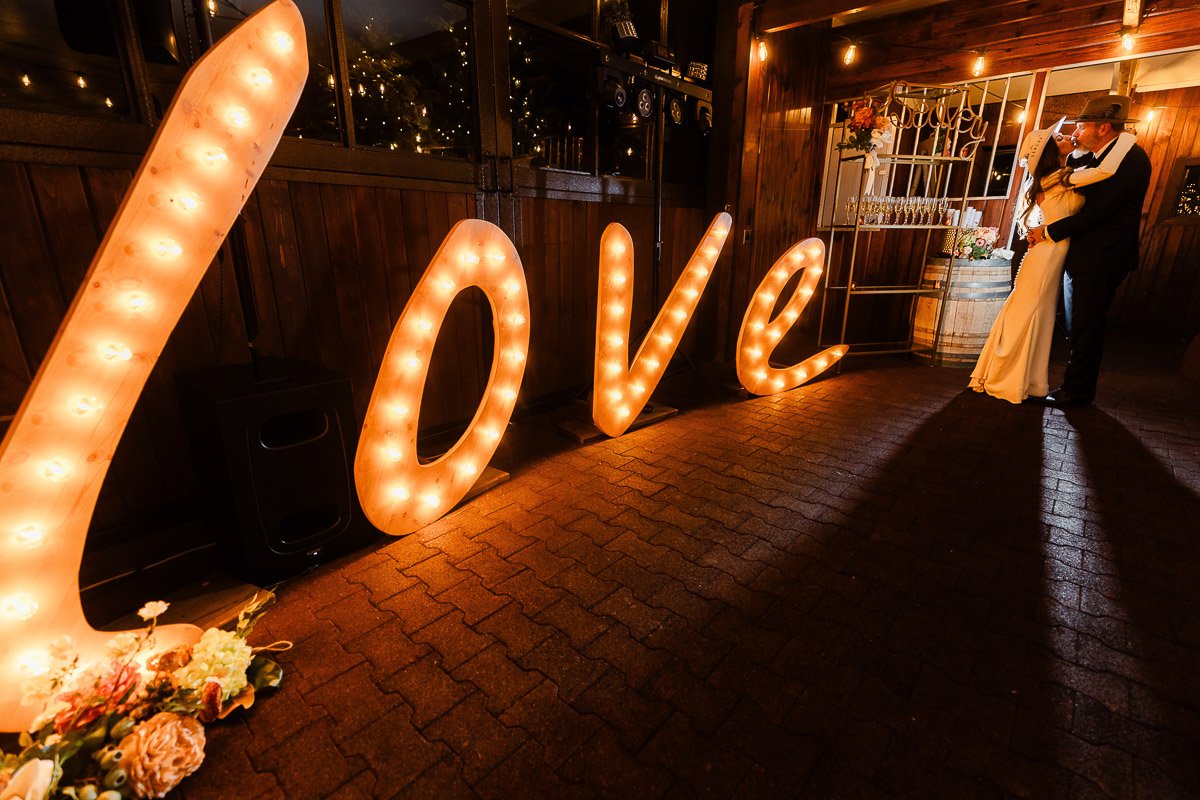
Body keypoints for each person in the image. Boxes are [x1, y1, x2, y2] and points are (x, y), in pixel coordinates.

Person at [1027, 95, 1152, 407]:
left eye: (1081, 127)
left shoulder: (1130, 159)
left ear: (1103, 127)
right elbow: (1068, 169)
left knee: (1086, 324)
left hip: (1103, 256)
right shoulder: (1099, 158)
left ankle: (1076, 392)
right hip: (1088, 255)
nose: (1076, 133)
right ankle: (1076, 387)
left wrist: (1048, 231)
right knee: (1078, 323)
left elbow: (1100, 212)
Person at [968, 121, 1079, 403]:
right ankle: (1009, 378)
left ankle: (1027, 380)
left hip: (1048, 250)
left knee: (1036, 314)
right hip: (1048, 252)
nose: (1069, 135)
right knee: (1030, 313)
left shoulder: (1061, 176)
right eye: (1061, 136)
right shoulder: (1061, 178)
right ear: (1052, 152)